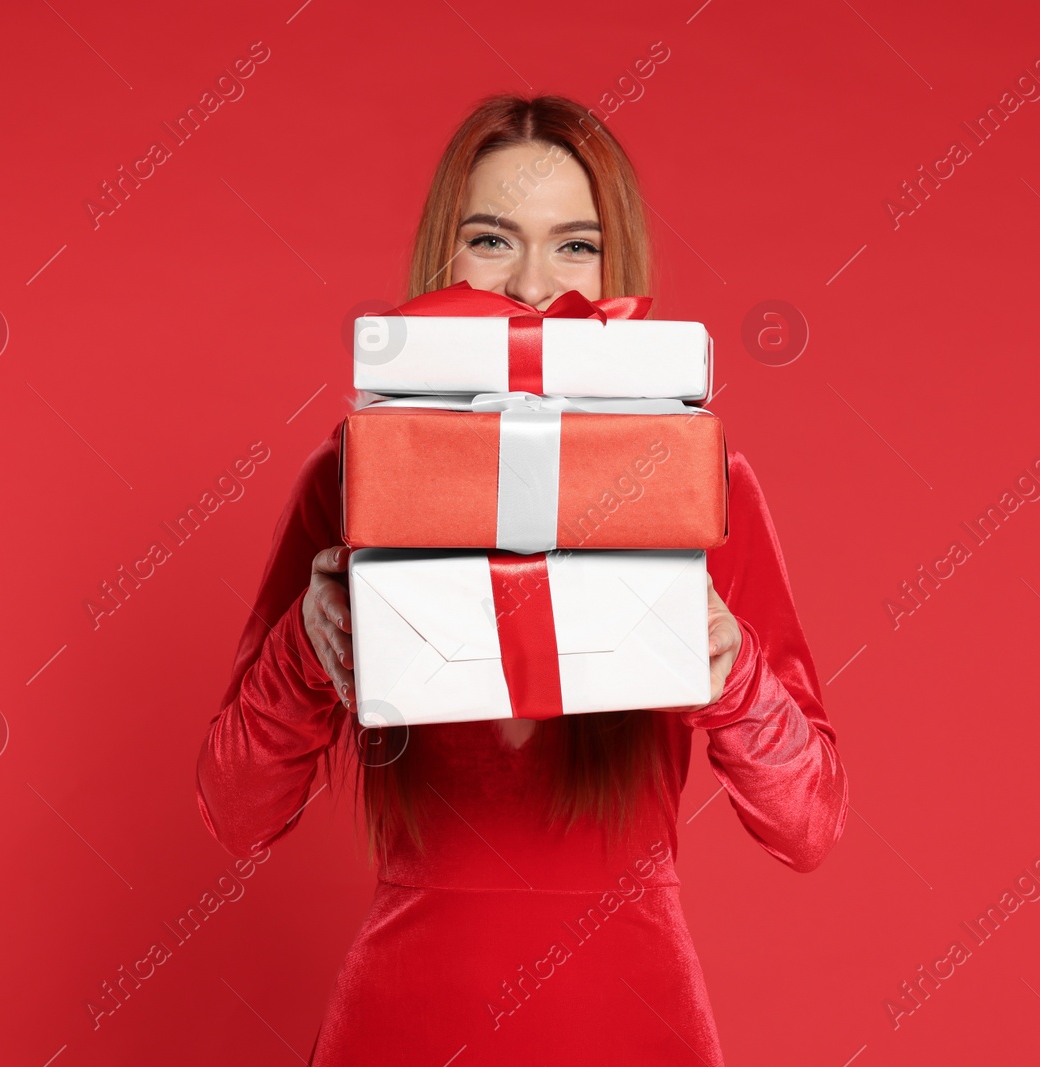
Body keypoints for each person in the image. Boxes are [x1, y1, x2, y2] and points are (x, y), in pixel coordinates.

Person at [195, 93, 847, 1065]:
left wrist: (733, 675)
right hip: (407, 1015)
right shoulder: (352, 474)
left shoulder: (698, 478)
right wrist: (305, 649)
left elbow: (810, 825)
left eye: (574, 247)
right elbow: (233, 812)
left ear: (614, 267)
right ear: (442, 260)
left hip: (632, 1012)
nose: (535, 286)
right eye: (493, 240)